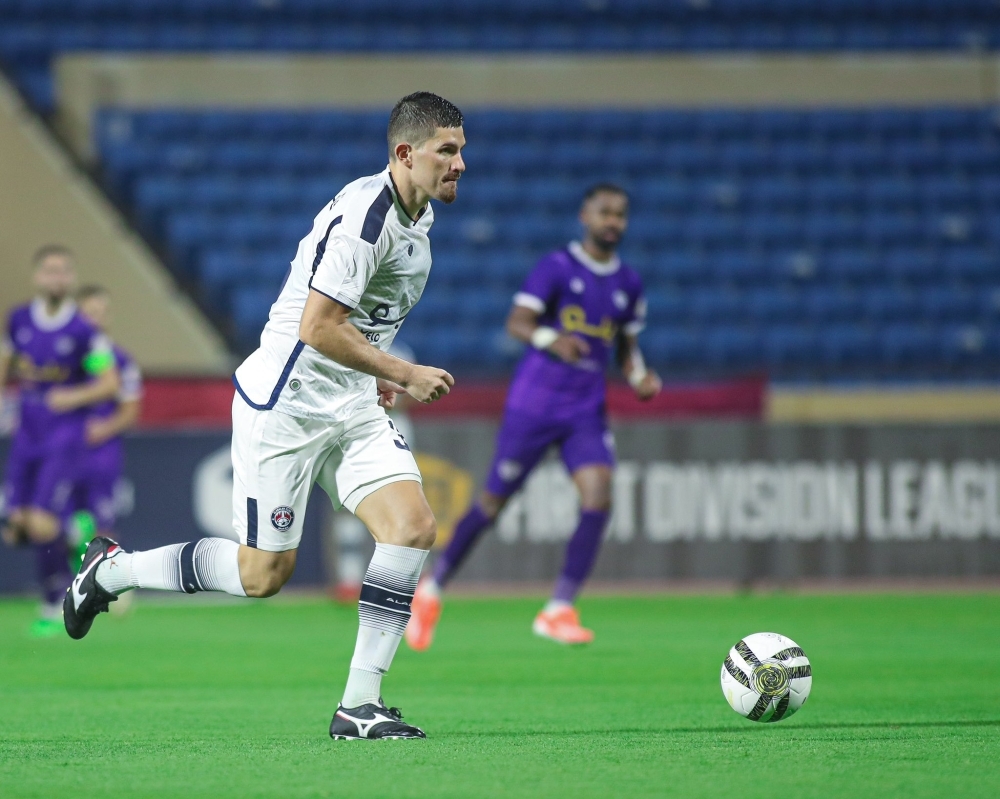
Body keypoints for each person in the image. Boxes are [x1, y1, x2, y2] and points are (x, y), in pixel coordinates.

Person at [63, 92, 466, 741]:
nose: (459, 164)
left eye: (461, 150)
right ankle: (112, 571)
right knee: (263, 575)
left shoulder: (416, 218)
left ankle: (359, 705)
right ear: (405, 153)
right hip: (287, 405)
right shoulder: (366, 220)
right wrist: (402, 371)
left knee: (412, 526)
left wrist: (372, 371)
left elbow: (360, 318)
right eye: (447, 150)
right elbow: (317, 326)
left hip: (350, 404)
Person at [405, 184, 661, 650]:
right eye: (605, 212)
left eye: (620, 215)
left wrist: (639, 375)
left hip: (585, 410)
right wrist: (552, 340)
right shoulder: (556, 268)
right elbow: (518, 322)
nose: (613, 222)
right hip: (536, 403)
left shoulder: (629, 283)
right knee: (492, 504)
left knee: (599, 494)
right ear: (585, 216)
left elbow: (626, 347)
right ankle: (432, 588)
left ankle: (559, 607)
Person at [0, 246, 120, 636]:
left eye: (63, 271)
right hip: (26, 432)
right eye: (50, 271)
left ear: (71, 279)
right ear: (37, 277)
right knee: (16, 526)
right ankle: (71, 537)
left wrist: (73, 395)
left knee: (39, 522)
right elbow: (6, 363)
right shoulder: (19, 320)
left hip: (63, 436)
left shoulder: (83, 332)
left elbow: (109, 383)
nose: (57, 278)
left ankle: (56, 599)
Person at [67, 285, 143, 565]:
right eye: (90, 312)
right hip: (64, 449)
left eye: (102, 312)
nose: (96, 319)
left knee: (102, 525)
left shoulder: (121, 361)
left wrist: (104, 428)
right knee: (62, 524)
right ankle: (62, 580)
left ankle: (105, 580)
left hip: (101, 453)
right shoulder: (63, 357)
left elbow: (130, 411)